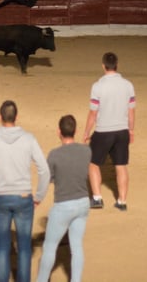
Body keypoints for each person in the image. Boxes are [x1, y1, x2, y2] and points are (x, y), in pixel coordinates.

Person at [0, 100, 50, 282]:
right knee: (24, 246)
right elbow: (44, 170)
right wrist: (39, 195)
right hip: (24, 197)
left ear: (0, 117)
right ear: (16, 117)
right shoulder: (29, 138)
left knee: (2, 246)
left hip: (0, 198)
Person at [35, 115, 91, 282]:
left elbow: (48, 178)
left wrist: (38, 198)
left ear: (59, 132)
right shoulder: (86, 151)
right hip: (83, 203)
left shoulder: (54, 155)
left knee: (49, 247)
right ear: (75, 131)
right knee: (77, 246)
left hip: (63, 206)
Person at [82, 52, 136, 211]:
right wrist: (131, 130)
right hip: (122, 131)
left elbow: (93, 113)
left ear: (103, 66)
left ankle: (97, 198)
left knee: (93, 164)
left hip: (103, 131)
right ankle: (122, 201)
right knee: (121, 165)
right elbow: (131, 111)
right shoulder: (128, 85)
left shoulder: (97, 86)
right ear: (117, 65)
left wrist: (86, 132)